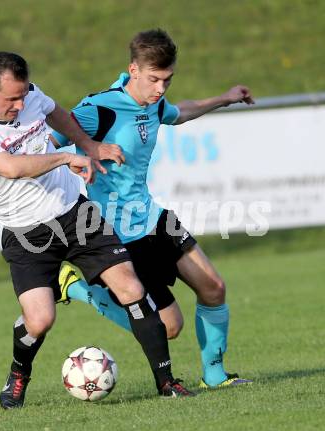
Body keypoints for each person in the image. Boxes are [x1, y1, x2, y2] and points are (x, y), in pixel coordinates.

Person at [0, 52, 195, 409]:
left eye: (23, 96)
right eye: (11, 99)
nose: (21, 105)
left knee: (131, 286)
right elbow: (11, 167)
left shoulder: (31, 95)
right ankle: (19, 375)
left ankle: (167, 383)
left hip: (74, 214)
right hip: (27, 233)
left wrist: (89, 144)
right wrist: (67, 157)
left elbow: (56, 113)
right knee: (40, 319)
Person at [52, 29, 254, 389]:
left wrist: (224, 98)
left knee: (214, 288)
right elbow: (52, 141)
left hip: (154, 218)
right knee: (168, 327)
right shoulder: (98, 108)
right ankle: (80, 289)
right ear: (133, 69)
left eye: (167, 79)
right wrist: (74, 158)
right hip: (115, 231)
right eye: (154, 79)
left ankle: (215, 375)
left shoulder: (155, 103)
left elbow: (179, 113)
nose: (161, 88)